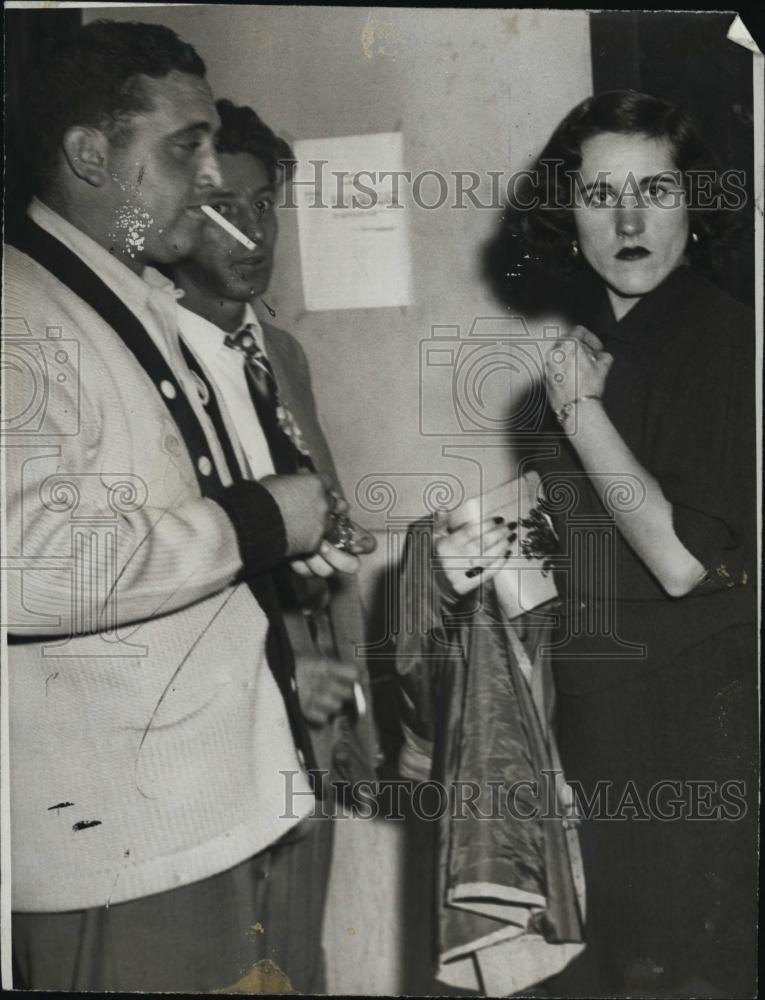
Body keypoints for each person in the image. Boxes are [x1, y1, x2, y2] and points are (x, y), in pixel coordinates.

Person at [3, 20, 353, 993]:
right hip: (124, 848)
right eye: (183, 148)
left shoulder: (127, 296)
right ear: (87, 153)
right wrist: (261, 521)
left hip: (210, 813)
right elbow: (26, 570)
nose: (208, 178)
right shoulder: (20, 311)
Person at [500, 89, 757, 996]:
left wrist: (578, 414)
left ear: (696, 200)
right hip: (604, 734)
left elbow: (685, 562)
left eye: (655, 187)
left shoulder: (725, 341)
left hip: (694, 747)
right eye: (602, 193)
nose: (631, 218)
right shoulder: (603, 346)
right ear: (567, 214)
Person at [162, 98, 381, 979]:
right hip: (214, 724)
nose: (251, 231)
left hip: (315, 721)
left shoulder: (280, 352)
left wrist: (358, 702)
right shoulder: (154, 361)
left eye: (263, 206)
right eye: (223, 208)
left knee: (297, 959)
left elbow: (328, 533)